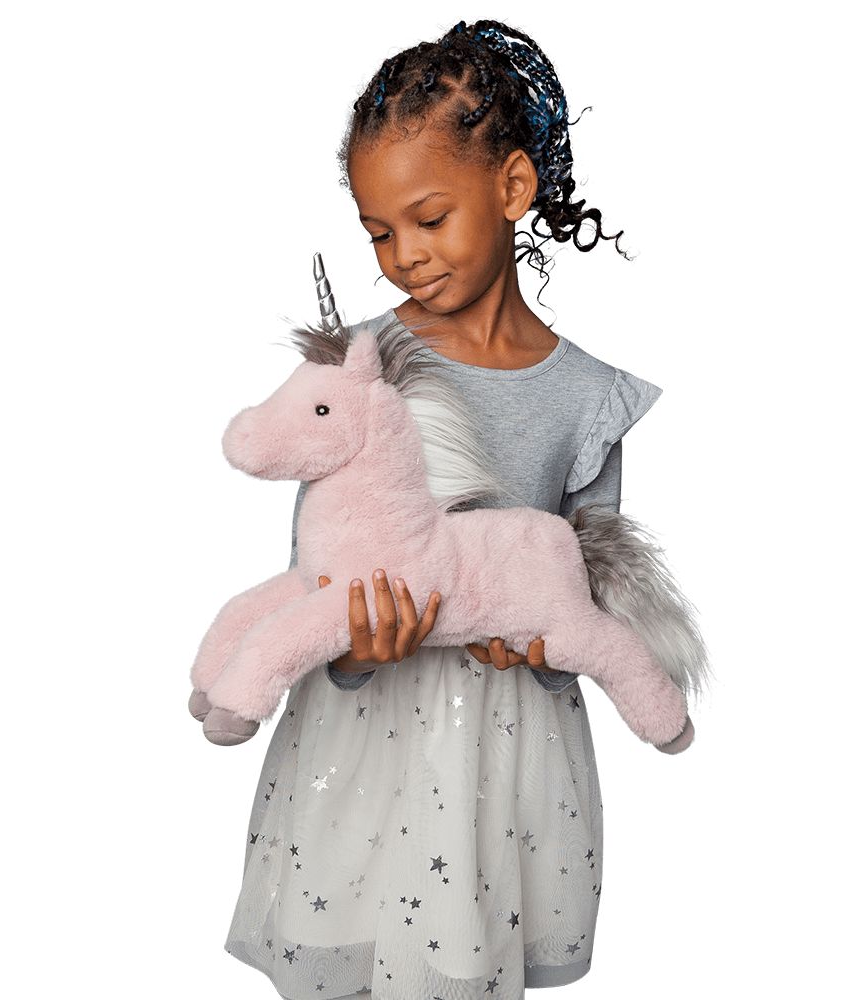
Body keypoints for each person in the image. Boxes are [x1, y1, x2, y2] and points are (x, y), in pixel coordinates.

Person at [221, 18, 682, 999]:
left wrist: (547, 656)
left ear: (511, 187)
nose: (404, 257)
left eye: (429, 219)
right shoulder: (368, 368)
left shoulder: (586, 395)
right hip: (367, 737)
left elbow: (589, 584)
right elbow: (319, 559)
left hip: (505, 757)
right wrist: (353, 652)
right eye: (380, 233)